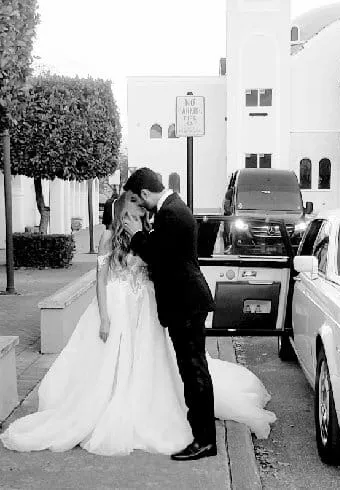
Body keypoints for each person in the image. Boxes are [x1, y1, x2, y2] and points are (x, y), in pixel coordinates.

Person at [1, 189, 275, 457]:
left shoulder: (147, 237)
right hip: (118, 307)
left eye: (140, 213)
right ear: (121, 214)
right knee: (116, 363)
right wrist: (105, 317)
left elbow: (162, 266)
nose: (137, 217)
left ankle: (163, 413)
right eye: (132, 213)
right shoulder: (108, 238)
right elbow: (100, 279)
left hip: (145, 307)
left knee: (153, 360)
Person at [122, 167, 216, 461]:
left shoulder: (171, 213)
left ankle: (205, 440)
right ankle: (202, 434)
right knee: (192, 369)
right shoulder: (173, 208)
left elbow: (157, 255)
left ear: (146, 193)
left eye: (140, 199)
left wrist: (138, 235)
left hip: (185, 304)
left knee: (194, 371)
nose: (141, 205)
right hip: (186, 302)